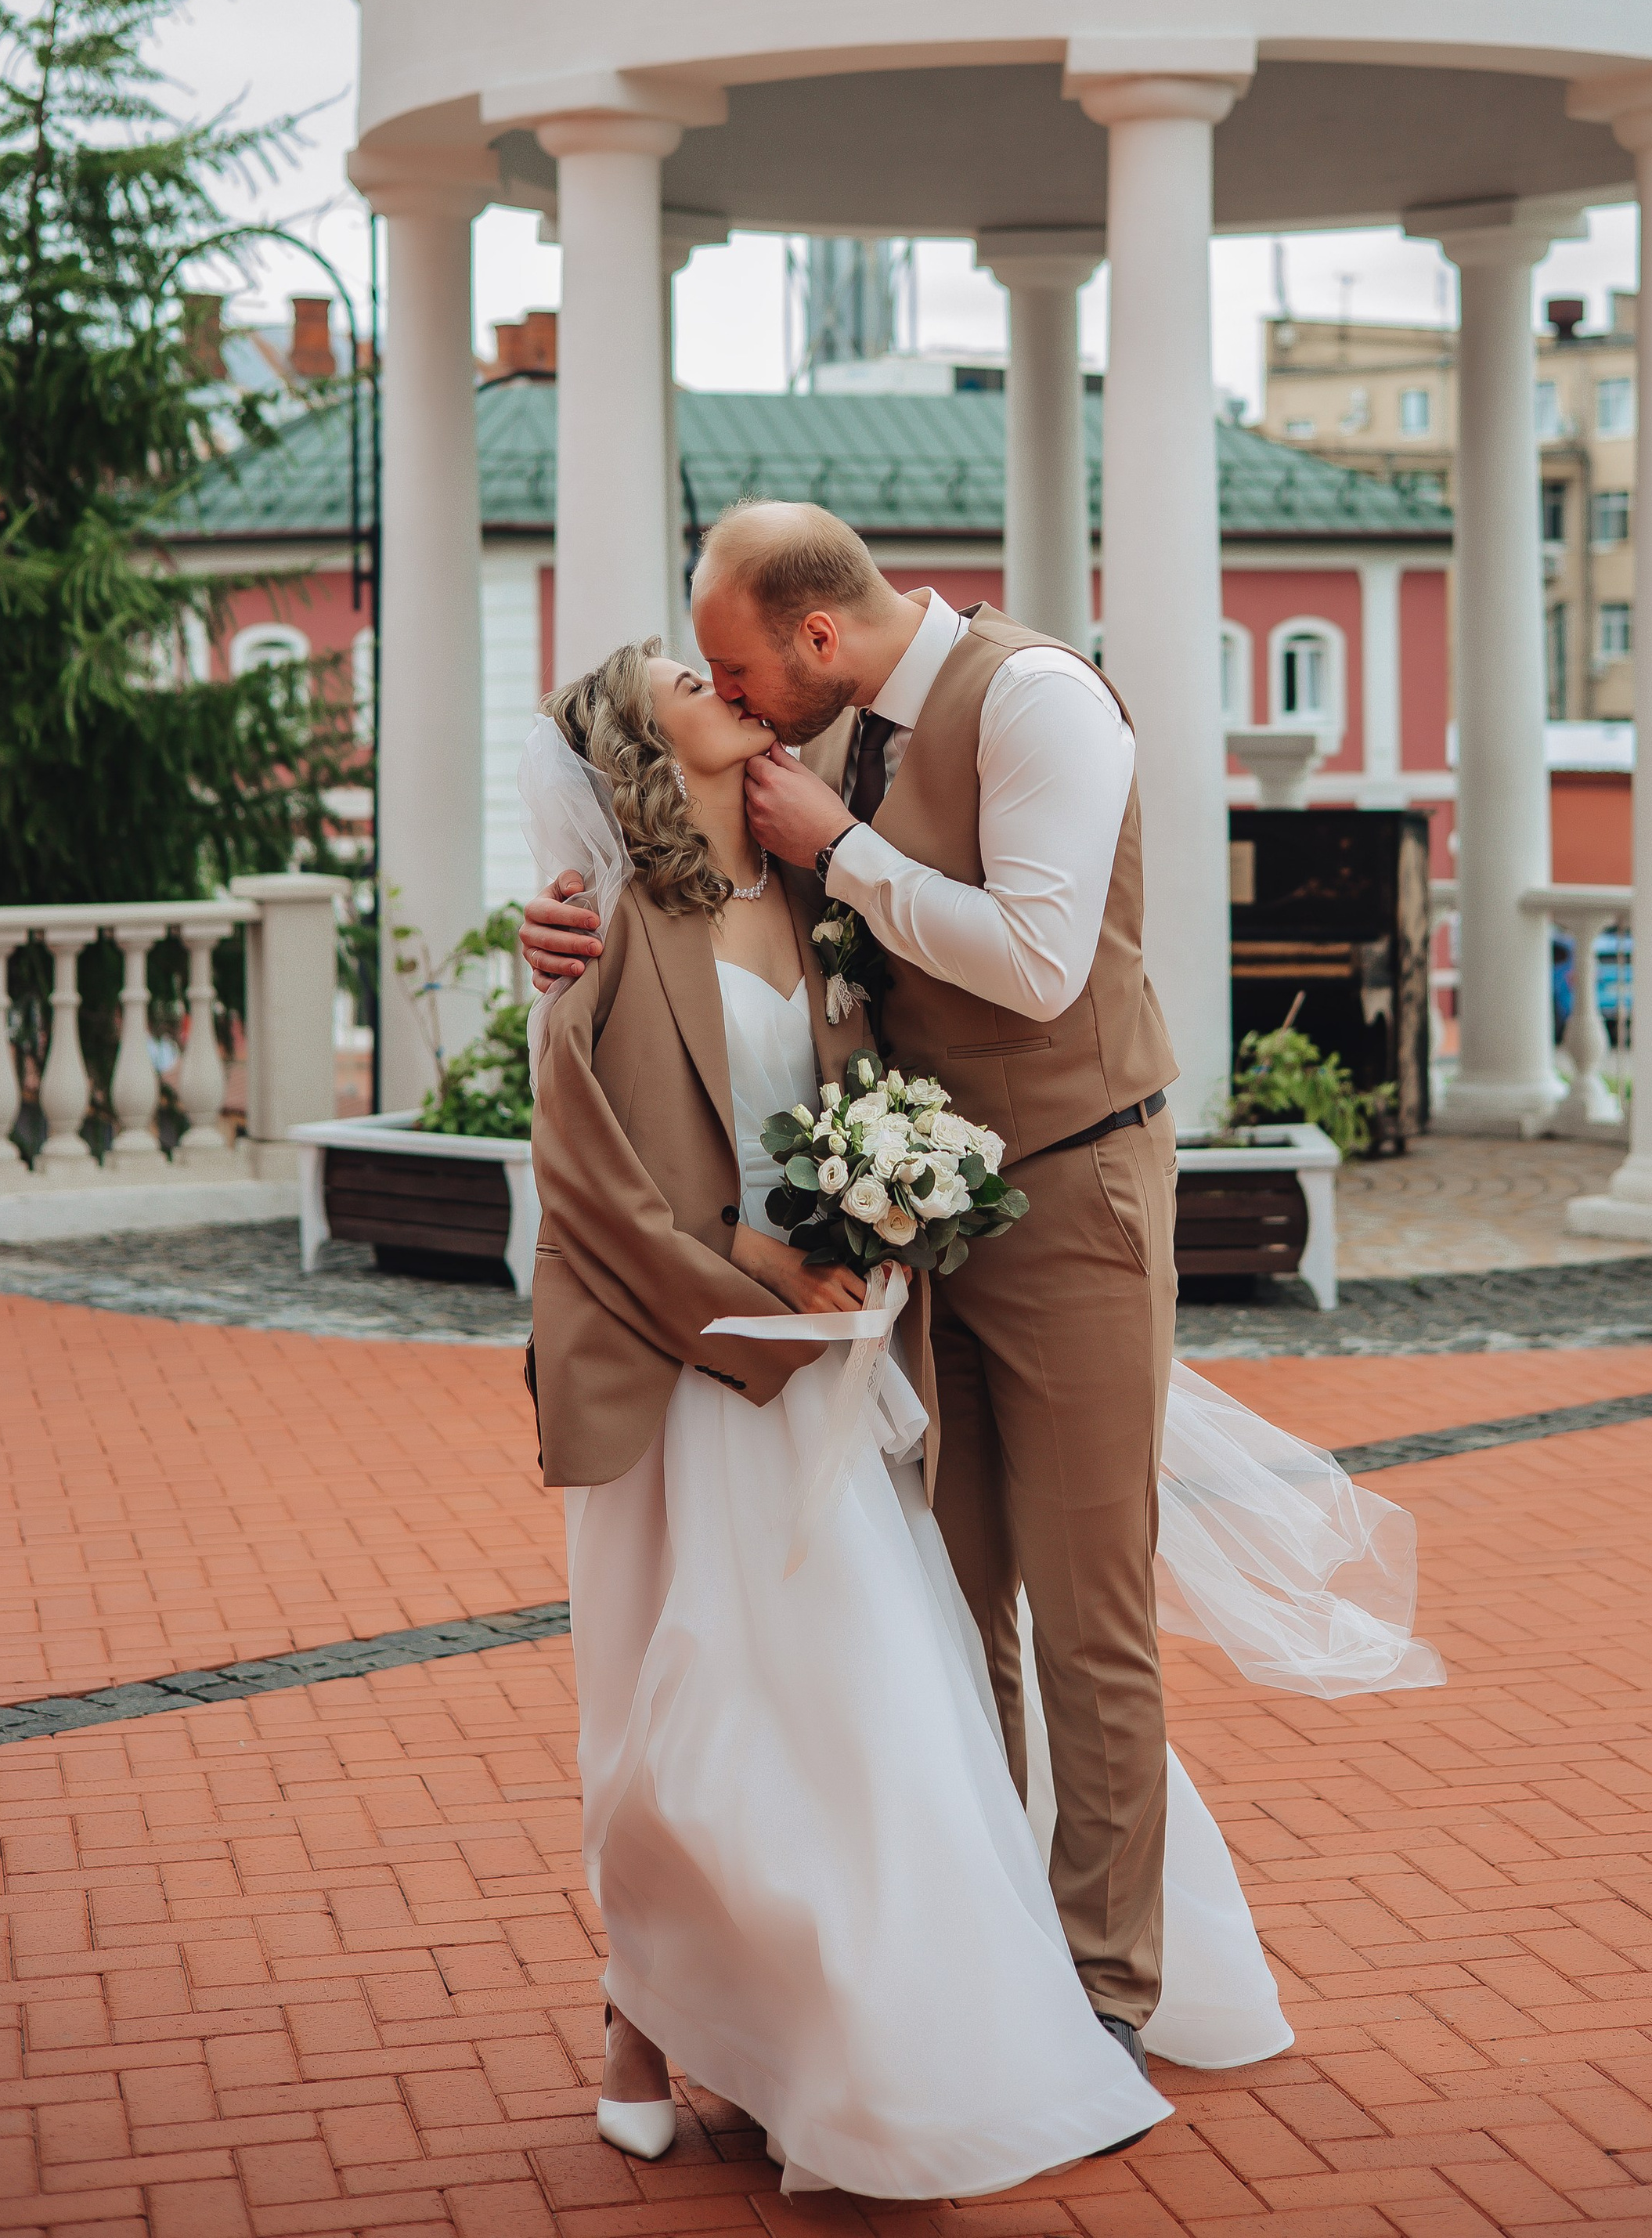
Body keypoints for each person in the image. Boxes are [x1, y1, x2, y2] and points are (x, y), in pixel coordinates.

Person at [526, 621, 1443, 2196]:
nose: (728, 693)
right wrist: (755, 1264)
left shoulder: (817, 878)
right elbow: (590, 1170)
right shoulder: (603, 921)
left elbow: (925, 1009)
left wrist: (873, 1236)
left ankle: (815, 2030)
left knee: (852, 1708)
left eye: (731, 670)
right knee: (675, 1720)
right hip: (698, 1368)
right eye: (695, 687)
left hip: (846, 1367)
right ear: (642, 755)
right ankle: (642, 2010)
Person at [524, 505, 1184, 2059]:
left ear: (817, 639)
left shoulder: (1032, 701)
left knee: (1088, 1607)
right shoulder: (817, 757)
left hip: (1075, 1189)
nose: (729, 692)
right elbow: (714, 939)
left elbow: (1036, 963)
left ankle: (1104, 1995)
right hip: (915, 1231)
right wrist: (563, 918)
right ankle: (986, 1948)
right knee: (950, 1607)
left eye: (739, 663)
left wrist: (848, 850)